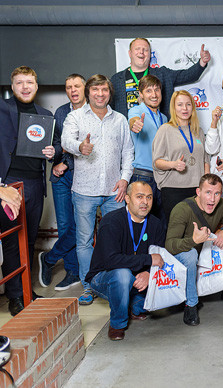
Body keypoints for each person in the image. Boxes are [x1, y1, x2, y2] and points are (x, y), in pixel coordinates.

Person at [0, 66, 55, 316]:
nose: (25, 87)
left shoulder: (45, 115)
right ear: (12, 87)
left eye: (29, 82)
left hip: (35, 184)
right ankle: (15, 296)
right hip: (7, 184)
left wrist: (54, 152)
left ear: (36, 86)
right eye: (19, 83)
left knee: (29, 240)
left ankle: (27, 291)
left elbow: (58, 146)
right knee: (11, 240)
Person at [62, 74, 134, 306]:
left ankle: (114, 282)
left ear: (109, 93)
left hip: (115, 192)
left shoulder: (120, 120)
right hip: (84, 190)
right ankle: (89, 285)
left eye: (104, 90)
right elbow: (65, 141)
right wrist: (79, 147)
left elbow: (128, 152)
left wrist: (124, 179)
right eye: (95, 90)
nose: (100, 94)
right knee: (84, 241)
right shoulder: (75, 117)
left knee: (117, 239)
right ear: (88, 93)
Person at [86, 181, 165, 341]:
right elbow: (111, 261)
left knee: (159, 299)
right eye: (139, 197)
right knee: (123, 275)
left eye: (149, 197)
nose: (145, 202)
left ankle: (133, 306)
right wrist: (148, 259)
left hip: (138, 278)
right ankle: (117, 324)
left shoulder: (156, 224)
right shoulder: (112, 221)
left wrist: (149, 273)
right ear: (127, 199)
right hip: (105, 277)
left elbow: (161, 258)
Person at [165, 174, 223, 326]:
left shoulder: (221, 205)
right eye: (208, 193)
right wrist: (193, 241)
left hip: (202, 258)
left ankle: (192, 289)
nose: (212, 199)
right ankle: (191, 304)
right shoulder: (182, 209)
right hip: (182, 259)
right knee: (191, 254)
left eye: (217, 193)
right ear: (198, 192)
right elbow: (170, 245)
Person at [39, 74, 85, 293]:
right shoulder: (61, 112)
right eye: (68, 87)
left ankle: (49, 258)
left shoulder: (95, 111)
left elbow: (89, 148)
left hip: (82, 176)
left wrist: (65, 162)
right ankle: (72, 271)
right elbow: (58, 144)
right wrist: (57, 158)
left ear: (85, 88)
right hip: (61, 178)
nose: (73, 90)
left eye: (77, 86)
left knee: (80, 226)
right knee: (66, 226)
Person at [110, 38, 211, 117]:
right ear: (130, 53)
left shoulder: (162, 74)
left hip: (158, 131)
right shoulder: (116, 80)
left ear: (150, 54)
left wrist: (202, 62)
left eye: (145, 50)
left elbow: (188, 75)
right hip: (127, 133)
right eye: (137, 49)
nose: (141, 52)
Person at [152, 90, 208, 220]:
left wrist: (206, 185)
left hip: (197, 190)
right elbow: (156, 162)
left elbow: (205, 160)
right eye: (180, 104)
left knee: (197, 228)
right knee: (177, 228)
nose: (185, 108)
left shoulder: (198, 131)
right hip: (173, 189)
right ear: (174, 107)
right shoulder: (165, 129)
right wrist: (173, 164)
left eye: (188, 104)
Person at [128, 75, 168, 223]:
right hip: (143, 175)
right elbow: (133, 121)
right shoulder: (137, 111)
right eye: (149, 91)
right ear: (141, 94)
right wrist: (135, 124)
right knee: (140, 221)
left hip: (162, 176)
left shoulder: (164, 118)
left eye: (157, 90)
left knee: (161, 221)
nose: (154, 94)